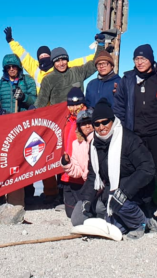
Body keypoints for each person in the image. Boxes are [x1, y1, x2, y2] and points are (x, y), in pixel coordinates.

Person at [113, 44, 157, 225]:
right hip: (136, 135)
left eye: (143, 59)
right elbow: (119, 107)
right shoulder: (128, 79)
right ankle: (146, 208)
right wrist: (123, 131)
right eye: (137, 59)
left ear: (151, 59)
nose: (140, 62)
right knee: (142, 172)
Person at [79, 100, 155, 240]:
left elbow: (147, 168)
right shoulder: (94, 145)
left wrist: (124, 192)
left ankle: (141, 222)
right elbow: (93, 175)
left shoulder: (128, 139)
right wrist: (87, 199)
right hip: (112, 191)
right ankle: (127, 219)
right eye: (97, 124)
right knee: (86, 220)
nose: (101, 127)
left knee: (119, 206)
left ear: (112, 121)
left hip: (135, 191)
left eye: (105, 122)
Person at [36, 41, 99, 202]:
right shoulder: (49, 79)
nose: (61, 63)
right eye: (57, 60)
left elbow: (95, 63)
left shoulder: (77, 72)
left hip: (80, 122)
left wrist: (102, 45)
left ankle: (84, 189)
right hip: (59, 123)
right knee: (59, 155)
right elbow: (41, 103)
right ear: (53, 62)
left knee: (80, 154)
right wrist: (31, 112)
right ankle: (56, 192)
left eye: (63, 59)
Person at [4, 26, 95, 90]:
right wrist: (11, 41)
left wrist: (99, 54)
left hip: (59, 107)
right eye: (41, 56)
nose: (44, 58)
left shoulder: (61, 65)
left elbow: (82, 61)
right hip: (44, 109)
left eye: (46, 56)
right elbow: (22, 55)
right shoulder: (34, 68)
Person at [59, 88, 90, 217]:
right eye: (71, 105)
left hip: (81, 171)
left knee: (82, 211)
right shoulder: (67, 119)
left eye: (77, 104)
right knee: (70, 212)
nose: (74, 108)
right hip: (68, 171)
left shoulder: (87, 120)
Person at [62, 108, 94, 225]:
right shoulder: (76, 144)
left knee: (96, 210)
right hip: (86, 184)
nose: (87, 126)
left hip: (99, 186)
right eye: (83, 124)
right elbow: (77, 172)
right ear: (79, 127)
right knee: (73, 216)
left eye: (89, 123)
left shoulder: (99, 141)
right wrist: (67, 164)